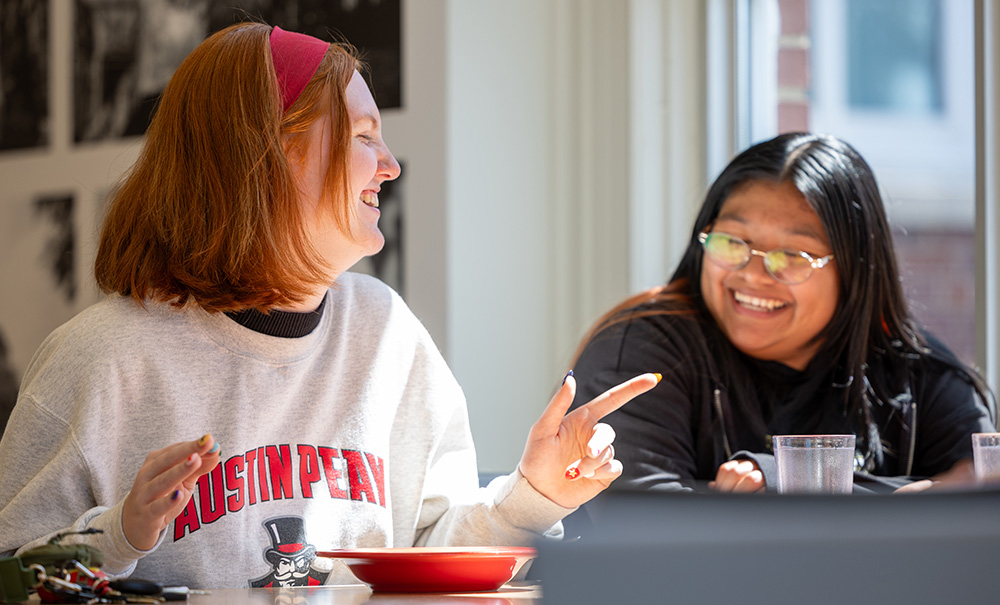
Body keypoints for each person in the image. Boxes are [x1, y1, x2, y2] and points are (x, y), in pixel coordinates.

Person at [0, 22, 659, 588]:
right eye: (364, 135)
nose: (390, 164)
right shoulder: (100, 358)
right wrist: (119, 534)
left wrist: (532, 495)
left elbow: (429, 556)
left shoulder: (388, 333)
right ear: (267, 154)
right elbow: (10, 571)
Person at [565, 132, 995, 521]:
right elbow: (642, 530)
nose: (752, 275)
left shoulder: (923, 377)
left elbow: (980, 514)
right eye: (733, 243)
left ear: (856, 271)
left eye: (793, 256)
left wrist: (783, 481)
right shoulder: (642, 352)